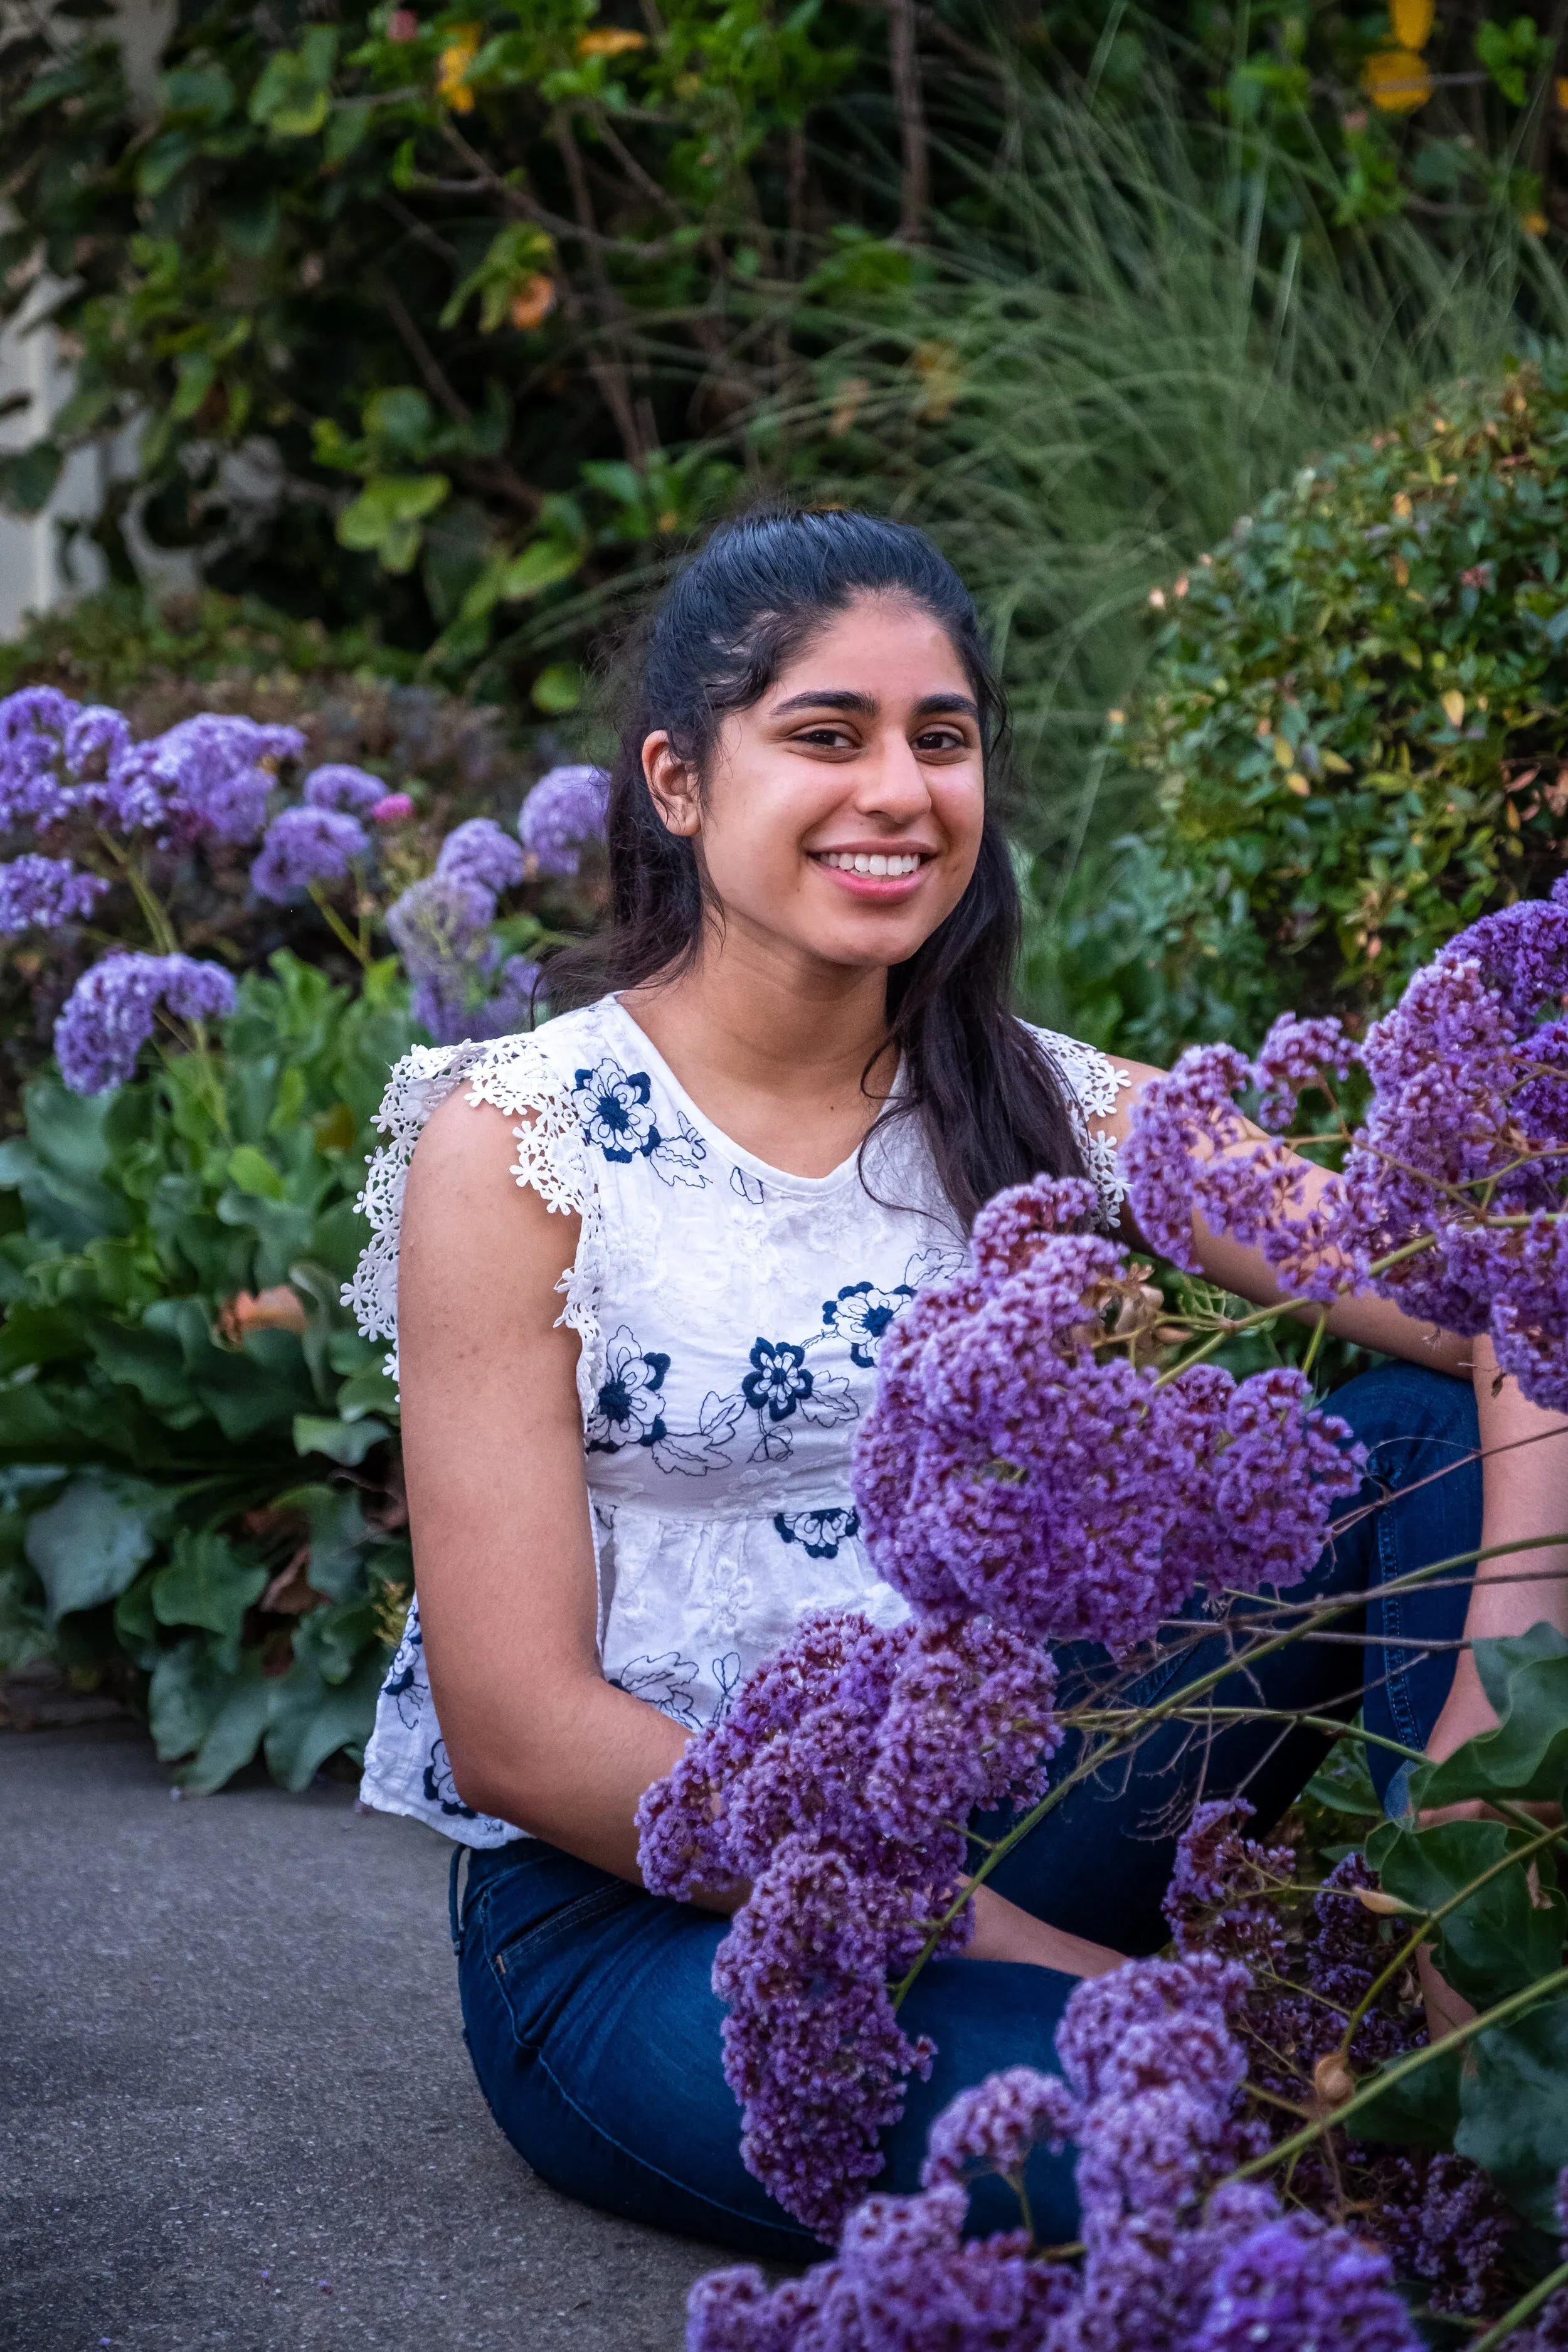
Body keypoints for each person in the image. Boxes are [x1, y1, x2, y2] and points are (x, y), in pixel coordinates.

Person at [347, 509, 1568, 2259]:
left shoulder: (1041, 1095)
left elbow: (1500, 1295)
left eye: (943, 737)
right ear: (680, 783)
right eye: (825, 735)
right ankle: (1345, 2103)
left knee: (1406, 1439)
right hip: (655, 1918)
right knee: (1182, 2164)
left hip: (1003, 1788)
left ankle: (1448, 1998)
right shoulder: (522, 1143)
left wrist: (1474, 1787)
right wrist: (1042, 1952)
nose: (899, 789)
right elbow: (523, 1733)